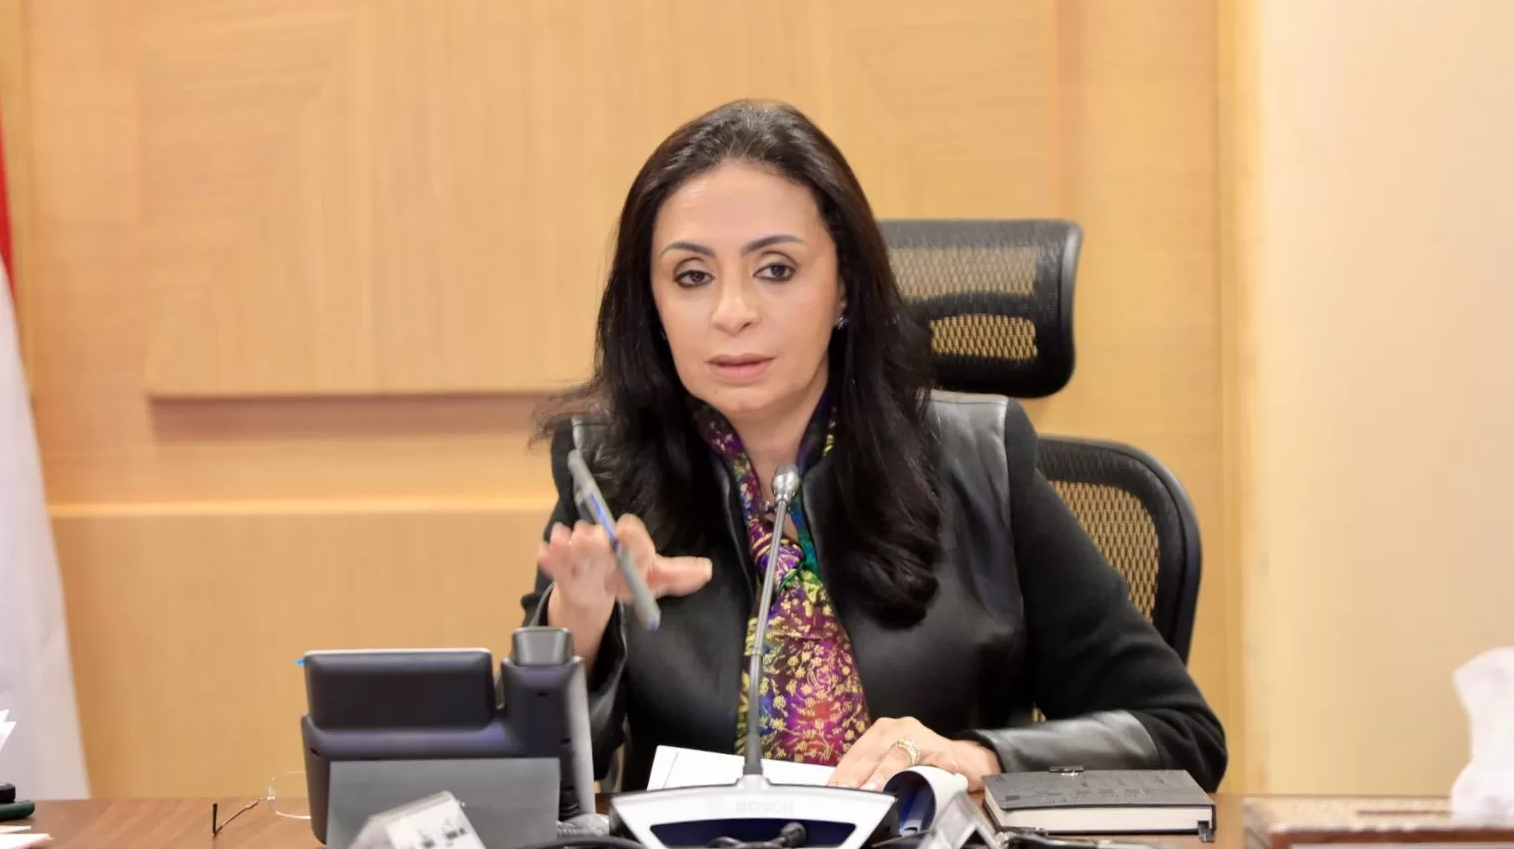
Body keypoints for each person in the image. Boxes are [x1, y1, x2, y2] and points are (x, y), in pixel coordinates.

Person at [521, 99, 1226, 796]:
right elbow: (527, 792)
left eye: (776, 269)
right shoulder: (608, 474)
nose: (732, 312)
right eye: (692, 277)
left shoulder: (982, 462)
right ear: (652, 305)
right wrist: (577, 627)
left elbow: (1180, 735)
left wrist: (977, 761)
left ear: (845, 290)